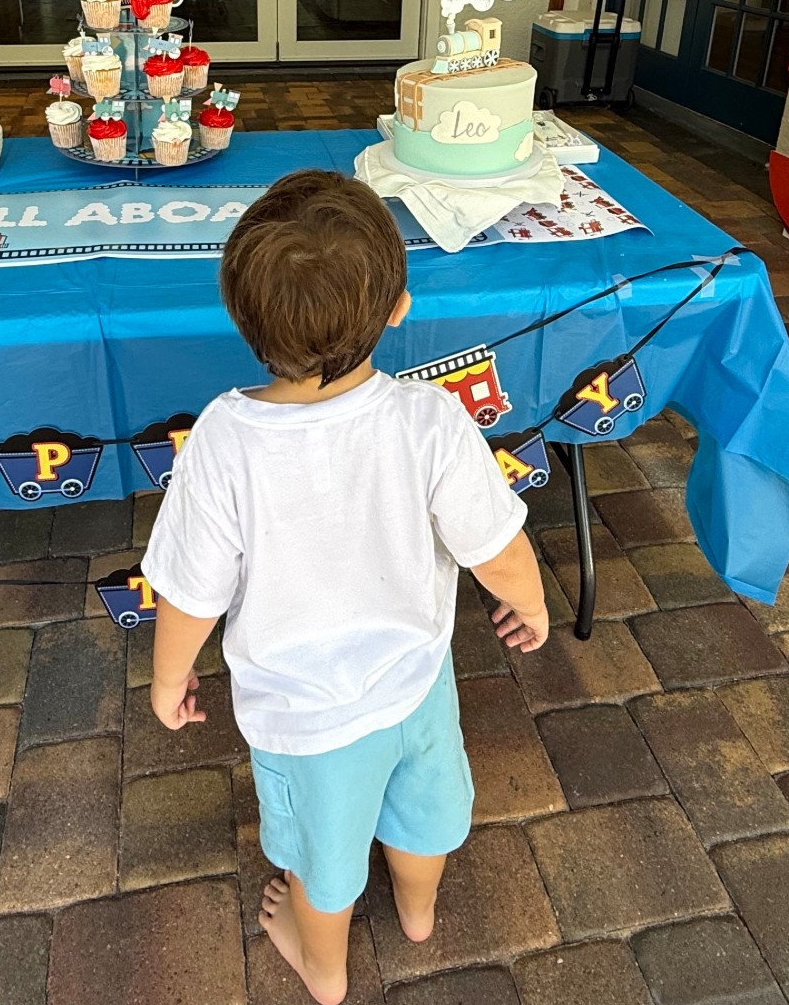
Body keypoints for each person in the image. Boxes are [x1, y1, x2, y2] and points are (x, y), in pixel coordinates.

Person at [142, 170, 549, 1005]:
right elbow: (499, 548)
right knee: (423, 814)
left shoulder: (224, 440)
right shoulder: (430, 419)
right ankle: (418, 910)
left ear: (241, 319)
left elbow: (192, 592)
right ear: (399, 307)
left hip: (305, 721)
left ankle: (322, 967)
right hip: (417, 684)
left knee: (321, 864)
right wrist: (533, 603)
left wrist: (168, 677)